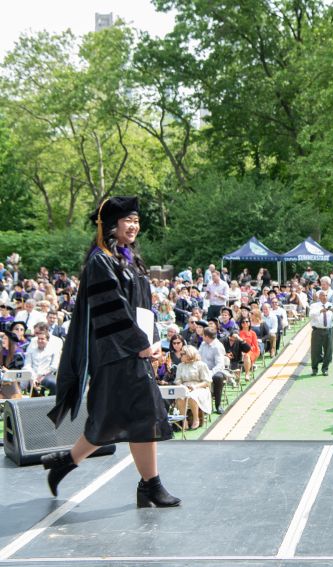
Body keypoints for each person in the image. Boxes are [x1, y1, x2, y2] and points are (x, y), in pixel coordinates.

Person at [44, 196, 180, 508]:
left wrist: (154, 339)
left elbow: (143, 307)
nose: (134, 225)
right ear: (111, 225)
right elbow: (113, 312)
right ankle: (150, 486)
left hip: (135, 351)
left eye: (136, 220)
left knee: (120, 418)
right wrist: (141, 343)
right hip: (116, 353)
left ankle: (67, 463)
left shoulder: (129, 258)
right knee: (136, 415)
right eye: (127, 220)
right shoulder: (100, 261)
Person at [173, 345, 212, 430]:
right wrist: (182, 386)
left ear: (189, 354)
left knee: (192, 396)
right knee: (180, 396)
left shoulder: (201, 365)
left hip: (200, 388)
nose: (180, 355)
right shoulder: (180, 366)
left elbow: (207, 382)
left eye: (182, 354)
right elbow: (178, 380)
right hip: (184, 387)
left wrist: (195, 386)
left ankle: (196, 419)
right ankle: (184, 421)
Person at [23, 323, 63, 395]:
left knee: (52, 383)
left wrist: (42, 376)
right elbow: (27, 364)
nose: (37, 336)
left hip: (46, 374)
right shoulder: (33, 342)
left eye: (38, 333)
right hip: (32, 374)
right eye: (36, 334)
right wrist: (33, 377)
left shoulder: (57, 342)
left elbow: (54, 365)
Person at [309, 289, 333, 376]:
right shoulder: (314, 305)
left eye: (326, 295)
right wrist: (320, 311)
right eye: (323, 295)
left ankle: (325, 368)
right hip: (317, 330)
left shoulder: (330, 305)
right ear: (319, 297)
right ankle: (314, 369)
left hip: (328, 330)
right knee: (315, 350)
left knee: (328, 350)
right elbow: (310, 314)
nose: (324, 297)